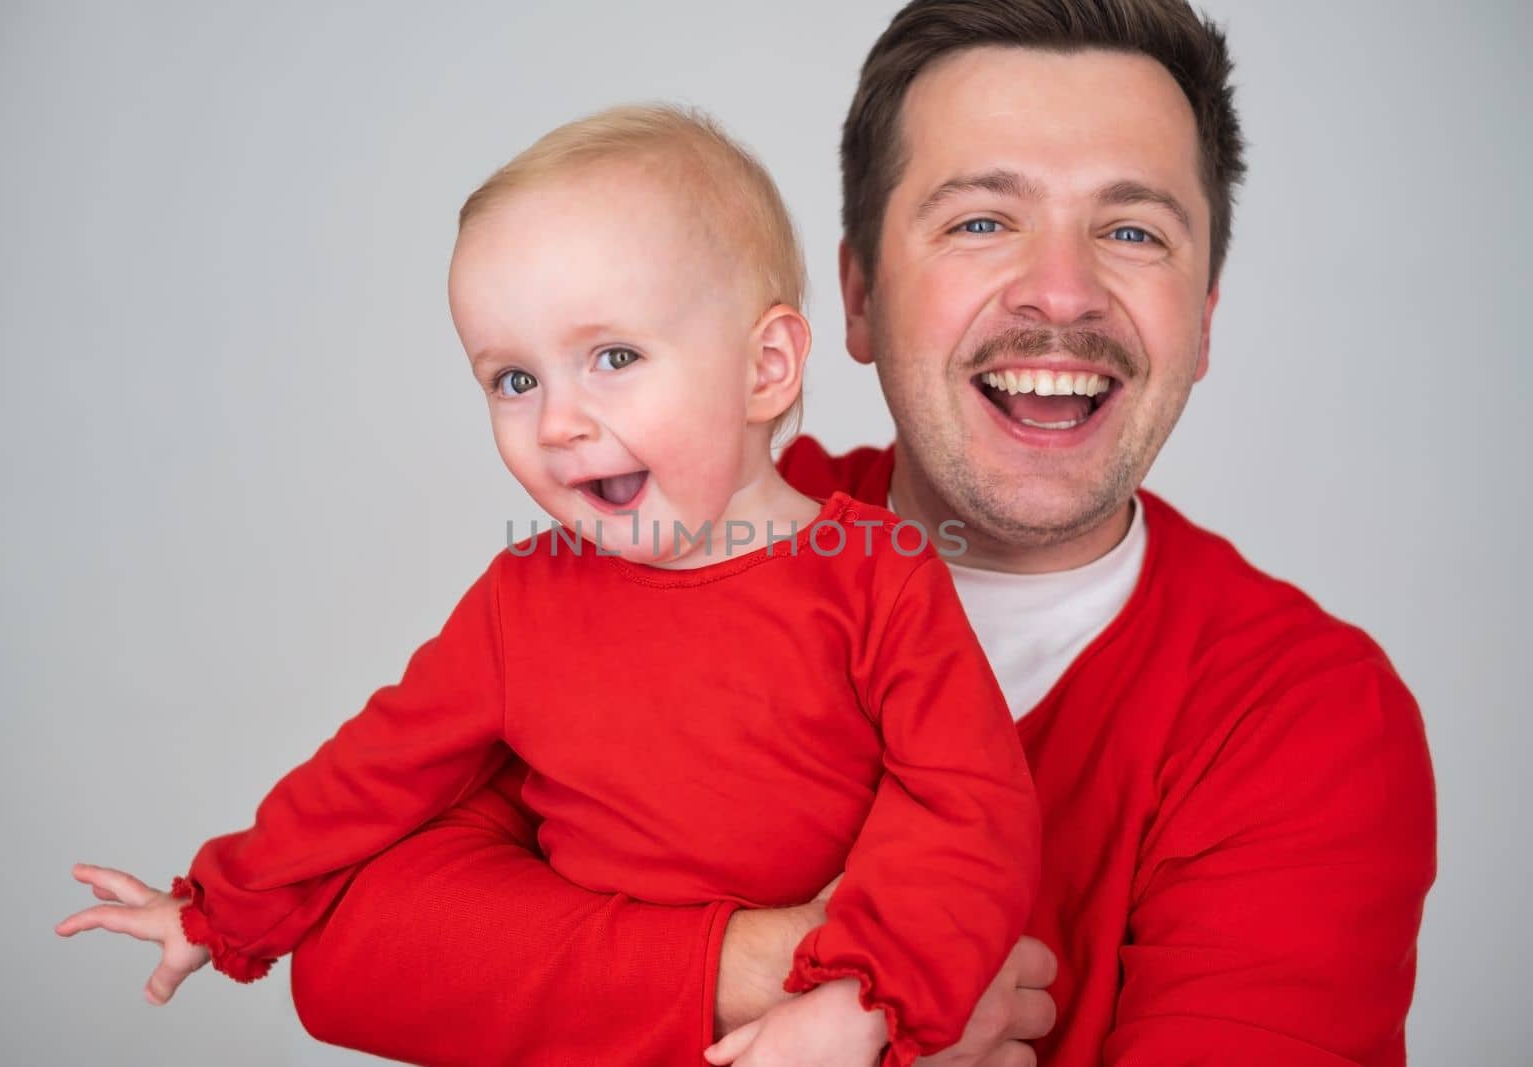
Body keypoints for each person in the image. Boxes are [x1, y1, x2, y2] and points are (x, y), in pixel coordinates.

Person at [275, 2, 1439, 1065]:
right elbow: (353, 949)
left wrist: (633, 989)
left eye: (1133, 233)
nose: (1064, 292)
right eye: (982, 219)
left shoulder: (1307, 715)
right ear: (861, 302)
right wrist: (775, 969)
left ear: (1199, 324)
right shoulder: (668, 550)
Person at [53, 104, 1043, 1067]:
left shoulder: (875, 574)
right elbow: (372, 772)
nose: (557, 420)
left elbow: (967, 810)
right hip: (607, 1025)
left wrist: (862, 1000)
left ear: (765, 367)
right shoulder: (522, 599)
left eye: (612, 357)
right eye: (512, 379)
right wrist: (216, 905)